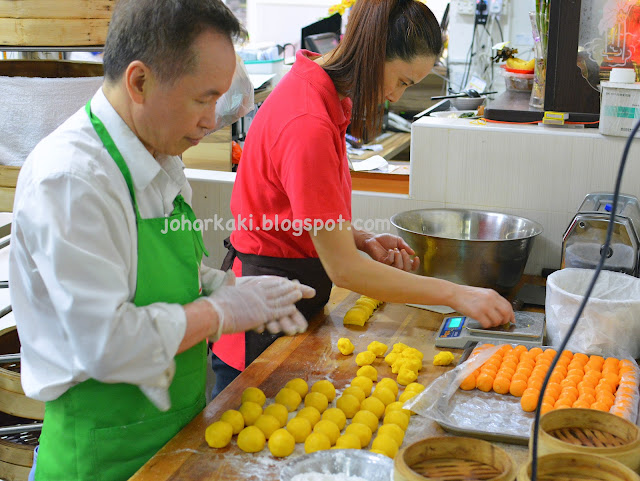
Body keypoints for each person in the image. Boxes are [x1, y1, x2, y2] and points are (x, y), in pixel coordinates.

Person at [9, 1, 314, 480]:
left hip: (177, 437)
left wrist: (226, 288)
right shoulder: (72, 181)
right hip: (102, 458)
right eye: (202, 99)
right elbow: (103, 343)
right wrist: (219, 314)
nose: (210, 119)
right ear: (139, 81)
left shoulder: (158, 158)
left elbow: (161, 275)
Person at [211, 0, 515, 396]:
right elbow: (346, 272)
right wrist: (456, 294)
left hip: (292, 304)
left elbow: (297, 211)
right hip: (261, 322)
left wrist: (358, 239)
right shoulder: (308, 121)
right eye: (403, 81)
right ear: (375, 54)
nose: (394, 95)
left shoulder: (321, 93)